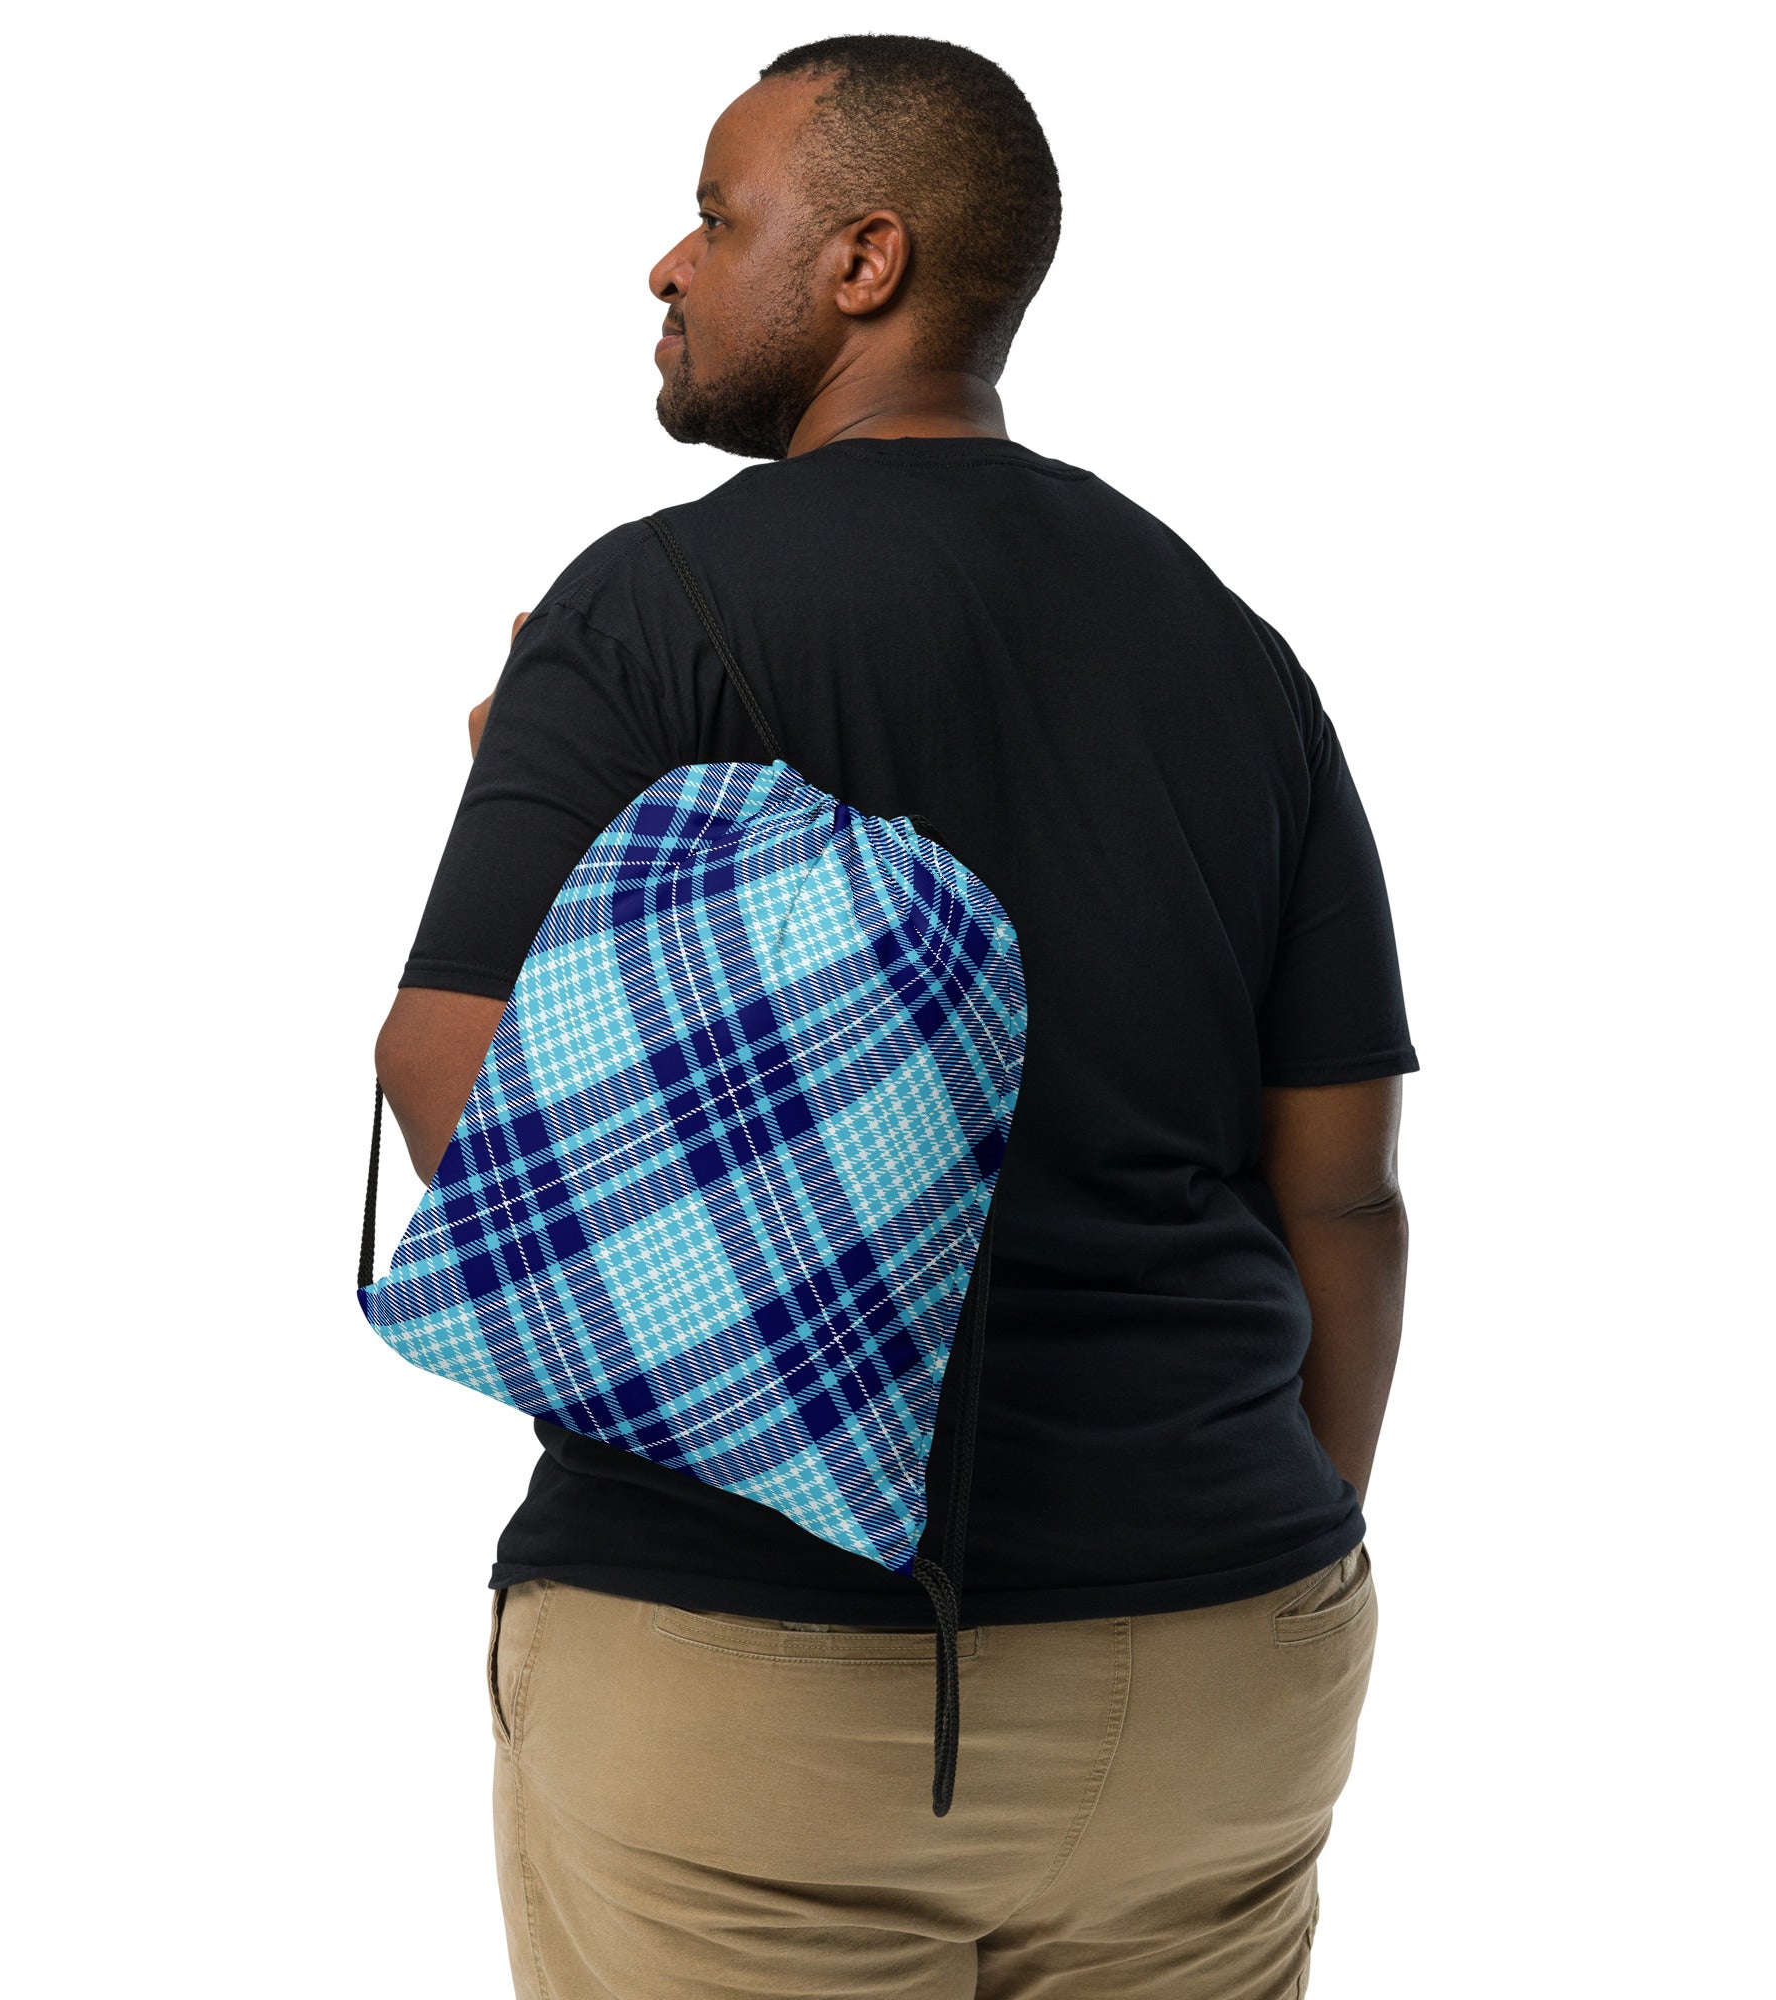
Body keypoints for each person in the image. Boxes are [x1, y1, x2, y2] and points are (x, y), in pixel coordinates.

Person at [372, 33, 1414, 2000]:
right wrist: (1245, 1558)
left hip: (754, 1694)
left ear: (865, 261)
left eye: (714, 217)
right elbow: (1343, 1195)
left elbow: (452, 1086)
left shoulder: (654, 609)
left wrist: (533, 811)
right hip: (1221, 1679)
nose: (667, 265)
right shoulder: (1231, 647)